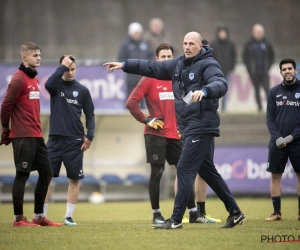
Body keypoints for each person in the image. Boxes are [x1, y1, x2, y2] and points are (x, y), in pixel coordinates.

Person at [104, 31, 245, 229]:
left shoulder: (208, 64)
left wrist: (204, 91)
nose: (187, 47)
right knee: (209, 173)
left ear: (200, 46)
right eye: (184, 43)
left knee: (184, 169)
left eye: (191, 44)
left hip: (202, 125)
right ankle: (236, 212)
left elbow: (221, 84)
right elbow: (152, 66)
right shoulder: (178, 63)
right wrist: (125, 65)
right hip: (189, 127)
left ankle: (175, 220)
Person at [126, 43, 218, 225]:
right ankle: (156, 213)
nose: (167, 59)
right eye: (163, 57)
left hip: (177, 134)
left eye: (170, 57)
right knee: (157, 172)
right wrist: (146, 120)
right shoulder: (149, 79)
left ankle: (193, 213)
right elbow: (131, 102)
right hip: (155, 134)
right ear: (157, 59)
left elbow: (186, 103)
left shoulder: (179, 78)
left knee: (185, 172)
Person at [0, 42, 61, 227]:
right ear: (24, 57)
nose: (39, 58)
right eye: (35, 55)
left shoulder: (34, 78)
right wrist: (5, 129)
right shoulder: (18, 79)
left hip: (36, 135)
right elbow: (5, 106)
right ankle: (18, 219)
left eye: (40, 54)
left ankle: (39, 216)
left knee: (47, 172)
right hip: (23, 136)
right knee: (22, 175)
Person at [44, 55, 95, 226]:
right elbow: (47, 84)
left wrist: (90, 135)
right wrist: (62, 67)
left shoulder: (82, 90)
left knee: (74, 179)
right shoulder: (55, 86)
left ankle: (68, 217)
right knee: (46, 177)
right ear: (62, 69)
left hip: (75, 141)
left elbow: (90, 114)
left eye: (73, 69)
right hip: (55, 141)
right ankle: (41, 216)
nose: (71, 72)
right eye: (67, 69)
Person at [265, 58, 300, 222]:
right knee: (275, 176)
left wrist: (292, 136)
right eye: (284, 69)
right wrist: (278, 137)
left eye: (290, 69)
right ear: (280, 73)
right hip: (277, 143)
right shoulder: (274, 92)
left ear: (295, 70)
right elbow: (269, 118)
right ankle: (276, 213)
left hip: (297, 141)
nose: (287, 71)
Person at [117, 22, 154, 103]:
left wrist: (149, 66)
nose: (138, 35)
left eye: (139, 33)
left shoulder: (145, 44)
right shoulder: (125, 45)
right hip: (131, 77)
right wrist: (129, 67)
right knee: (131, 99)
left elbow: (151, 56)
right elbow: (121, 58)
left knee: (145, 100)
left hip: (144, 76)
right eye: (136, 33)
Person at [243, 23, 275, 112]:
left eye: (260, 32)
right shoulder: (249, 44)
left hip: (264, 71)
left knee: (267, 90)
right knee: (256, 90)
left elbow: (272, 56)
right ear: (253, 32)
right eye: (257, 32)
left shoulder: (266, 43)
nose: (258, 33)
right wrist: (249, 67)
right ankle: (259, 107)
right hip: (254, 72)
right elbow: (245, 57)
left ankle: (271, 108)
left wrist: (268, 66)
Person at [210, 26, 236, 112]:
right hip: (216, 71)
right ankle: (215, 107)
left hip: (227, 70)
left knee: (225, 90)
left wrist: (232, 67)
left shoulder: (230, 44)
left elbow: (233, 56)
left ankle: (224, 108)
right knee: (216, 89)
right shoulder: (213, 44)